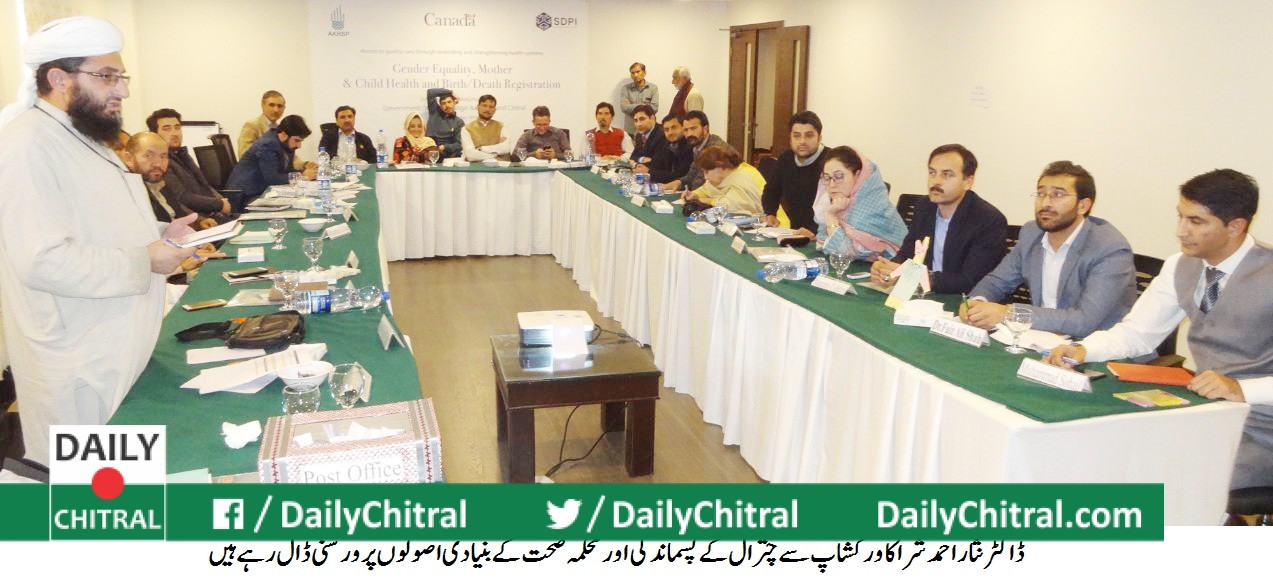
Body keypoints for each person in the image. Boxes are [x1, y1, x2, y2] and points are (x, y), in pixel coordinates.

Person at [0, 16, 197, 464]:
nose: (122, 90)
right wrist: (145, 260)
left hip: (113, 348)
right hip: (78, 363)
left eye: (122, 77)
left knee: (134, 488)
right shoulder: (26, 145)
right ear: (58, 78)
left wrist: (160, 235)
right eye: (107, 76)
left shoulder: (79, 135)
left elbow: (94, 222)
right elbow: (42, 260)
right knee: (99, 492)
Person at [1046, 169, 1273, 494]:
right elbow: (1138, 333)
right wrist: (1084, 349)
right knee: (1108, 451)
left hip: (1262, 427)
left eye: (1196, 221)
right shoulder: (1181, 265)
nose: (1180, 231)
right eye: (1181, 216)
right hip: (1206, 411)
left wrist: (1242, 389)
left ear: (1235, 226)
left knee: (1168, 477)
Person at [962, 161, 1136, 337]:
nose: (1045, 203)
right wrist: (976, 303)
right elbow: (996, 281)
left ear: (1083, 206)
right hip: (1041, 338)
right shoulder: (1032, 233)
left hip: (1095, 345)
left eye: (1058, 195)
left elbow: (1084, 321)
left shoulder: (1109, 248)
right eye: (1041, 194)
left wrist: (1009, 313)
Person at [870, 144, 1008, 294]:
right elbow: (907, 254)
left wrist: (915, 275)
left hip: (961, 300)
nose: (936, 181)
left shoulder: (988, 220)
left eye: (947, 175)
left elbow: (970, 280)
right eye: (932, 173)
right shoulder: (924, 207)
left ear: (968, 182)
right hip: (923, 294)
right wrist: (887, 268)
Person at [810, 146, 908, 261]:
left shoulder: (873, 207)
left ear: (857, 175)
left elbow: (844, 253)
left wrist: (831, 216)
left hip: (892, 268)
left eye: (839, 176)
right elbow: (822, 242)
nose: (832, 185)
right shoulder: (840, 203)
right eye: (827, 178)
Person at [146, 108, 233, 218]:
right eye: (167, 129)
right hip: (197, 219)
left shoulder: (182, 155)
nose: (175, 133)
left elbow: (205, 186)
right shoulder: (162, 164)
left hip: (212, 213)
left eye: (177, 127)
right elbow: (183, 197)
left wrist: (221, 202)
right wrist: (219, 204)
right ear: (155, 134)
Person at [762, 111, 830, 233]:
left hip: (824, 234)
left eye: (809, 135)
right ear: (790, 138)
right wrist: (770, 213)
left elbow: (838, 206)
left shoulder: (831, 162)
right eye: (797, 136)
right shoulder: (786, 158)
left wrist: (815, 232)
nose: (802, 141)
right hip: (795, 232)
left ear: (819, 138)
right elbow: (771, 190)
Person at [226, 114, 316, 201]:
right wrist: (302, 176)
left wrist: (306, 172)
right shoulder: (268, 144)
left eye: (300, 141)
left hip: (260, 192)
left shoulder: (285, 144)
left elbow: (287, 171)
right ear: (284, 134)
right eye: (296, 140)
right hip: (245, 196)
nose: (299, 145)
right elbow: (273, 178)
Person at [683, 145, 765, 215]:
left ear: (719, 165)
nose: (705, 177)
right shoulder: (721, 177)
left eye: (707, 172)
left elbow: (733, 206)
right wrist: (694, 194)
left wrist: (707, 201)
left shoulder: (744, 176)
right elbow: (706, 189)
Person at [660, 110, 724, 192]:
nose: (689, 134)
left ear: (705, 129)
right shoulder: (697, 147)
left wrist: (691, 194)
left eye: (693, 128)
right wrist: (676, 184)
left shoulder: (715, 149)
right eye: (686, 130)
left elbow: (701, 182)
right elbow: (691, 176)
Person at [636, 113, 692, 184]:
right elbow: (655, 165)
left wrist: (648, 171)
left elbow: (676, 176)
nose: (670, 132)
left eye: (674, 127)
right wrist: (645, 169)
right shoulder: (666, 144)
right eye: (666, 130)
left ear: (683, 128)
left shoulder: (689, 147)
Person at [237, 90, 286, 158]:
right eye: (271, 105)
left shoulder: (280, 130)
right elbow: (245, 156)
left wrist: (302, 163)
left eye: (280, 106)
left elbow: (289, 155)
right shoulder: (251, 126)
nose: (276, 110)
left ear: (284, 109)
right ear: (263, 106)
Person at [461, 94, 511, 162]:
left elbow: (506, 148)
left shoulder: (501, 126)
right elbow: (471, 155)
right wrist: (495, 154)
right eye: (484, 105)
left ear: (494, 110)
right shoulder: (467, 129)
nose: (487, 109)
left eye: (491, 107)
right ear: (478, 107)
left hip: (499, 166)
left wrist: (481, 148)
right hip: (477, 167)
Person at [620, 62, 659, 134]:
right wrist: (646, 106)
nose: (635, 75)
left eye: (638, 72)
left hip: (648, 130)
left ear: (644, 73)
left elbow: (654, 108)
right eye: (632, 73)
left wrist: (631, 105)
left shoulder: (653, 88)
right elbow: (624, 108)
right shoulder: (625, 89)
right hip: (630, 130)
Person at [426, 87, 464, 159]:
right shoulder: (434, 112)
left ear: (454, 103)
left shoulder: (459, 122)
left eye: (449, 102)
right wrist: (450, 92)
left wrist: (445, 147)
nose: (447, 105)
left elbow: (459, 145)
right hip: (429, 151)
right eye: (443, 103)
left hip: (447, 155)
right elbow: (430, 92)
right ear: (440, 106)